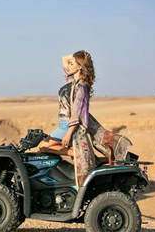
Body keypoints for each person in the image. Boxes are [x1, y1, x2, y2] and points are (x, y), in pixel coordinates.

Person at [39, 50, 132, 188]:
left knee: (43, 146)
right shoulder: (72, 81)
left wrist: (69, 133)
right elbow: (64, 59)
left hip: (67, 126)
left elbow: (76, 113)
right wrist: (80, 56)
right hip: (65, 124)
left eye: (73, 64)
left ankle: (78, 154)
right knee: (77, 165)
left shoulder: (81, 87)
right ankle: (99, 159)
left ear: (80, 66)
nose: (69, 65)